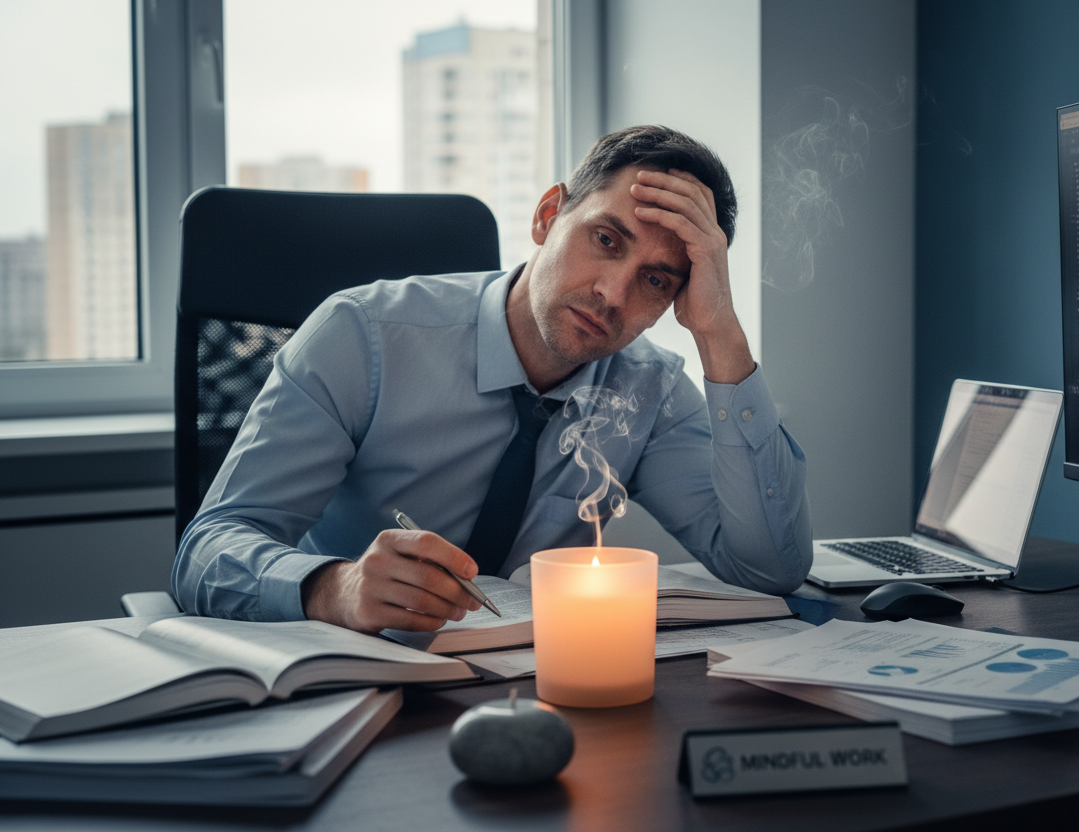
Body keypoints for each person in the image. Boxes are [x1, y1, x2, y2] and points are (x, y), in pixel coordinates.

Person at [173, 125, 812, 634]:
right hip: (359, 671)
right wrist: (332, 588)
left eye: (656, 280)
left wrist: (721, 336)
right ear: (547, 216)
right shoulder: (361, 336)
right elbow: (206, 550)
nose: (613, 293)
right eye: (606, 239)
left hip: (526, 686)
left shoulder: (649, 388)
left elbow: (769, 569)